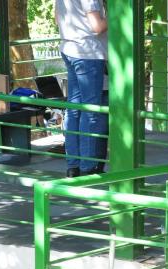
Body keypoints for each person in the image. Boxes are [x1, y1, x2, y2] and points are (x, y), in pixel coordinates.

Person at [55, 0, 107, 177]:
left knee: (74, 109)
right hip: (88, 52)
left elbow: (58, 20)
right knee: (90, 110)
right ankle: (88, 166)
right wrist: (116, 17)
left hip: (69, 49)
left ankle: (73, 165)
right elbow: (97, 26)